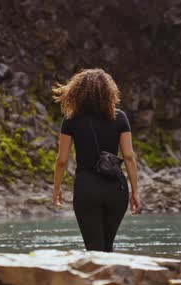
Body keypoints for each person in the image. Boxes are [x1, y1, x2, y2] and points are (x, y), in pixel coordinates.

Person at [52, 68, 142, 252]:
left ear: (76, 92)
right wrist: (135, 191)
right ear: (109, 92)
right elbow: (129, 157)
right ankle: (111, 280)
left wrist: (57, 188)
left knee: (94, 249)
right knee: (108, 247)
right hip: (116, 189)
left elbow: (62, 160)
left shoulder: (71, 120)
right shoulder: (120, 117)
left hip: (87, 189)